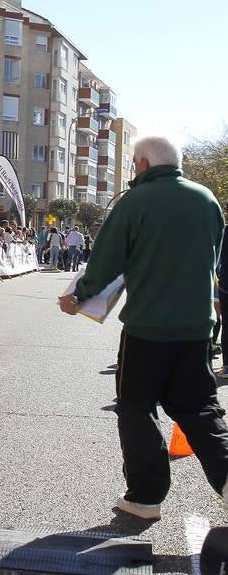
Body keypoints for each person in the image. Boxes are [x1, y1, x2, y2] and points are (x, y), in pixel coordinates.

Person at [58, 136, 228, 520]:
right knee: (201, 407)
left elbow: (104, 260)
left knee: (136, 408)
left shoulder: (134, 202)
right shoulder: (207, 199)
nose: (134, 171)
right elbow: (213, 255)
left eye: (134, 164)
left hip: (147, 328)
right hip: (198, 328)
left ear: (145, 164)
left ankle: (146, 497)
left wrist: (77, 297)